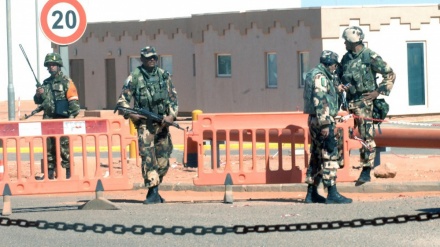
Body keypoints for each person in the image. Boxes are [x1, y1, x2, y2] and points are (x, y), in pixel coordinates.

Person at [116, 46, 178, 204]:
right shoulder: (134, 78)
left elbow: (173, 99)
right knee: (149, 159)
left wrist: (171, 115)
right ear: (142, 59)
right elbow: (122, 101)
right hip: (145, 125)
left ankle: (155, 189)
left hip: (162, 124)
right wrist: (132, 114)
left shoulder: (164, 76)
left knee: (163, 160)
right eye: (148, 57)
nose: (152, 60)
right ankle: (152, 191)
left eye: (154, 57)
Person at [340, 26, 396, 185]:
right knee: (342, 135)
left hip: (364, 103)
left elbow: (390, 74)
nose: (344, 44)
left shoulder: (369, 56)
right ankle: (340, 166)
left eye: (346, 41)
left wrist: (377, 92)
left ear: (352, 41)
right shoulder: (346, 58)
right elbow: (339, 77)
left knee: (366, 137)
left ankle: (366, 170)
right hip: (349, 103)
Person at [303, 50, 352, 204]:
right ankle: (332, 192)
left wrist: (336, 90)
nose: (335, 69)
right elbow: (320, 99)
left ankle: (311, 193)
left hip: (314, 119)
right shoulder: (321, 77)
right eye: (334, 65)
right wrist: (325, 124)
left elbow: (323, 94)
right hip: (322, 120)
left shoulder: (314, 73)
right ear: (330, 64)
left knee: (317, 156)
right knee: (330, 153)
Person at [34, 52, 80, 180]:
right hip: (48, 121)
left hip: (62, 121)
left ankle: (69, 174)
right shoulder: (46, 82)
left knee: (65, 148)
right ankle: (49, 174)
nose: (51, 67)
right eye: (49, 65)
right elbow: (39, 101)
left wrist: (70, 119)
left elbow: (74, 103)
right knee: (49, 148)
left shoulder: (67, 82)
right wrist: (39, 94)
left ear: (59, 66)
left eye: (53, 64)